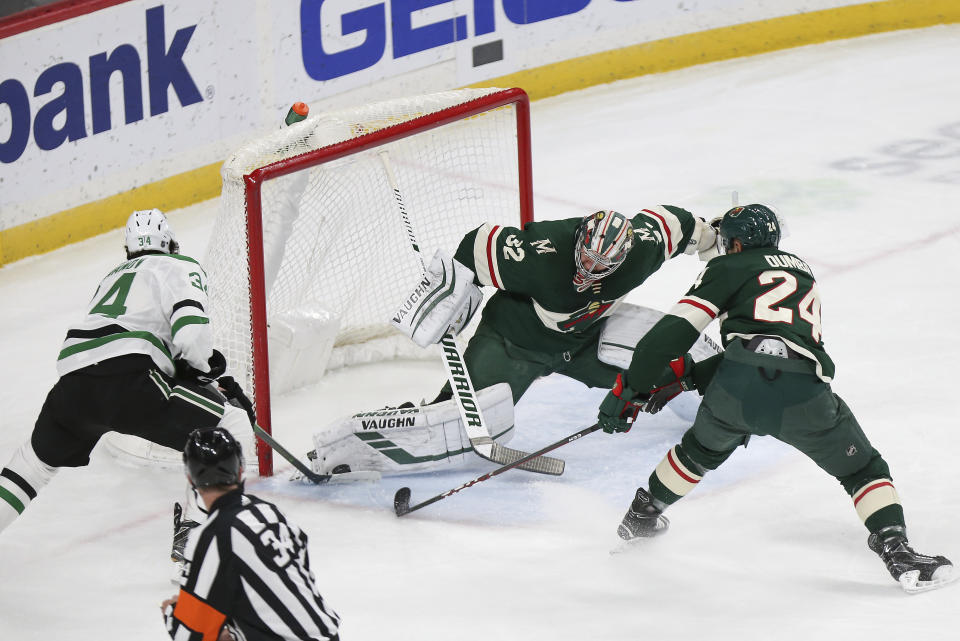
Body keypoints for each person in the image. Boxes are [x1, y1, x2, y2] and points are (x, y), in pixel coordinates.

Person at [596, 203, 953, 592]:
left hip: (734, 392)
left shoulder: (727, 268)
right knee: (862, 470)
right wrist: (688, 376)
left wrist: (630, 389)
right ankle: (895, 549)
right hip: (803, 393)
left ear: (734, 244)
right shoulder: (802, 272)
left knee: (697, 452)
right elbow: (776, 346)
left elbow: (669, 337)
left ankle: (641, 518)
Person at [309, 207, 722, 475]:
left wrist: (716, 240)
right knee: (454, 427)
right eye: (587, 258)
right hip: (514, 341)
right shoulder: (541, 253)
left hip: (585, 341)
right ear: (579, 240)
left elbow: (680, 224)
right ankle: (352, 445)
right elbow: (475, 244)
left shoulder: (644, 247)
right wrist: (452, 296)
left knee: (670, 362)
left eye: (603, 266)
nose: (590, 270)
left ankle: (726, 404)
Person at [0, 209, 251, 557]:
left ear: (128, 250)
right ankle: (194, 542)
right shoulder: (179, 266)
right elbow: (191, 335)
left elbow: (132, 337)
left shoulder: (111, 276)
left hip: (73, 383)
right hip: (130, 382)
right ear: (172, 244)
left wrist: (198, 376)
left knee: (32, 465)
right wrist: (206, 370)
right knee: (231, 424)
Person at [162, 427, 341, 641]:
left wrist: (174, 613)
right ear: (239, 472)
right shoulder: (269, 513)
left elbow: (190, 635)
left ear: (191, 479)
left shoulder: (212, 536)